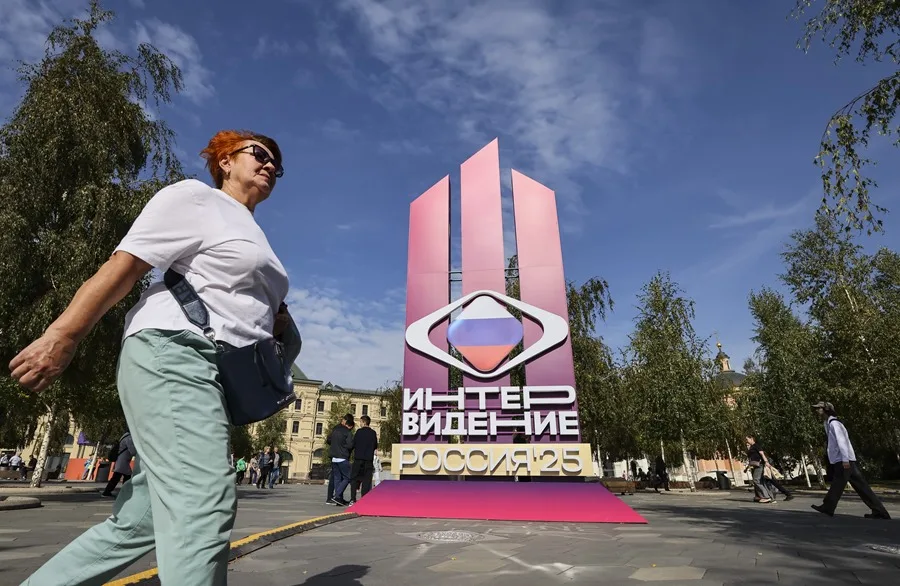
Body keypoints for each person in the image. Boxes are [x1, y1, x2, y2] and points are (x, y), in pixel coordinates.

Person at [9, 129, 291, 585]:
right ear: (225, 161)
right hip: (174, 352)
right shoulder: (195, 199)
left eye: (277, 166)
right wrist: (63, 334)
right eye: (258, 154)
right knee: (203, 500)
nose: (269, 167)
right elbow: (126, 265)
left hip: (214, 374)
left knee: (140, 523)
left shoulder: (253, 230)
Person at [810, 401, 891, 520]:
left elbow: (842, 442)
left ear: (826, 410)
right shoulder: (828, 423)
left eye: (819, 408)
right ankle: (880, 511)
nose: (817, 411)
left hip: (843, 460)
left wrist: (845, 460)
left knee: (838, 484)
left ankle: (828, 506)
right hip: (845, 459)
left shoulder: (834, 424)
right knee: (862, 487)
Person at [326, 414, 355, 506]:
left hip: (334, 457)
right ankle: (337, 496)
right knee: (347, 477)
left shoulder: (335, 430)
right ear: (349, 425)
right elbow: (350, 445)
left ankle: (338, 499)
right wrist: (344, 446)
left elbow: (329, 440)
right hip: (342, 457)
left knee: (337, 478)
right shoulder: (348, 432)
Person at [350, 415, 378, 503]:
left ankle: (353, 499)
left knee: (354, 479)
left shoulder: (358, 432)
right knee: (367, 480)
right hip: (368, 460)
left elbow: (353, 444)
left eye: (360, 422)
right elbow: (375, 445)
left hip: (358, 459)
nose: (360, 424)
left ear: (364, 422)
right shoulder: (373, 433)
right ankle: (364, 499)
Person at [102, 431, 136, 497]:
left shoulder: (124, 436)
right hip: (123, 461)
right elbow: (133, 451)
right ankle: (124, 492)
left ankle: (108, 492)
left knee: (118, 477)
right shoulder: (129, 438)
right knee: (125, 476)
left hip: (121, 460)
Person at [744, 436, 773, 504]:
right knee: (759, 481)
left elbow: (762, 454)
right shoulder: (751, 447)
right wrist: (747, 468)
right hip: (755, 465)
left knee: (756, 480)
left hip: (759, 465)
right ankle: (760, 496)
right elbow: (751, 458)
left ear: (751, 439)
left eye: (747, 439)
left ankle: (766, 497)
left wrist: (766, 462)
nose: (746, 441)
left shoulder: (756, 446)